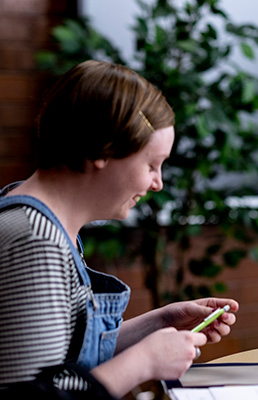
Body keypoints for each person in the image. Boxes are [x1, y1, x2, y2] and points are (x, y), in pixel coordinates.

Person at [0, 60, 239, 398]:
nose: (157, 184)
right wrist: (144, 362)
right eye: (151, 165)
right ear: (102, 149)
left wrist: (160, 322)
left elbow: (65, 357)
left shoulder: (39, 221)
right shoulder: (36, 242)